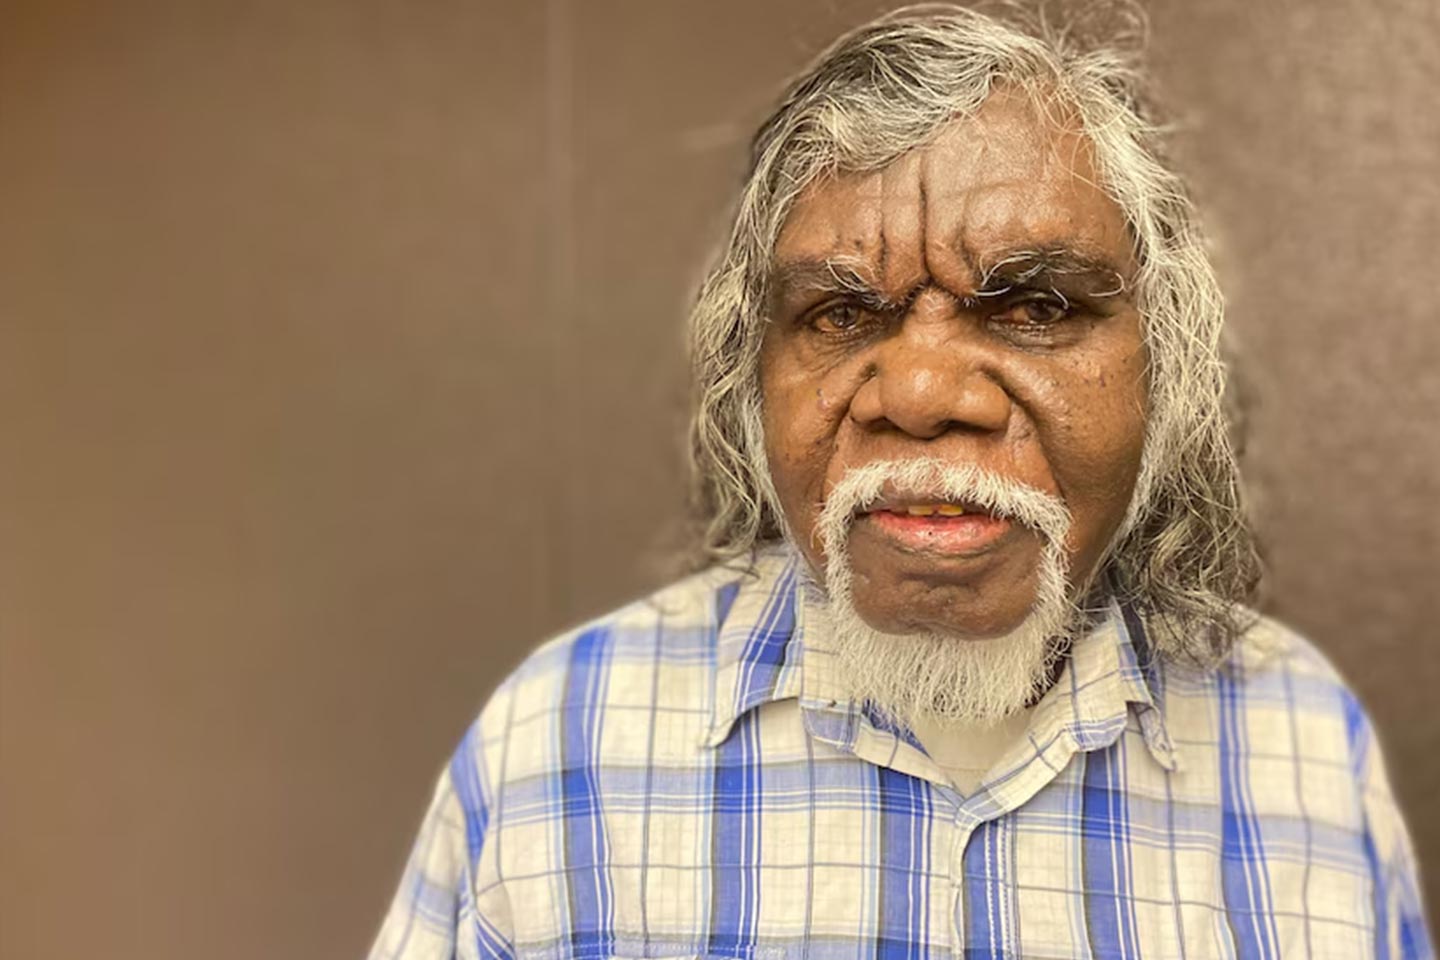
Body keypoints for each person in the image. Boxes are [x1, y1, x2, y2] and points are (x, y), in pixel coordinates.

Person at [368, 6, 1431, 958]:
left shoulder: (1300, 739)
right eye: (841, 314)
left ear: (1171, 374)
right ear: (750, 383)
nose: (921, 393)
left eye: (1036, 307)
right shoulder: (554, 751)